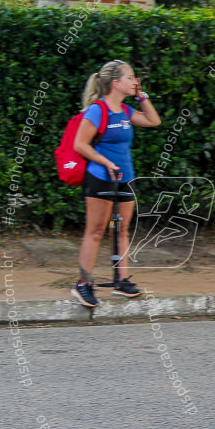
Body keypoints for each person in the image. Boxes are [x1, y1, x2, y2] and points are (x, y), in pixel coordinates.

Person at [71, 59, 161, 307]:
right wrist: (106, 163)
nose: (135, 81)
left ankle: (121, 281)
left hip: (126, 179)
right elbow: (80, 144)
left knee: (121, 230)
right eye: (131, 77)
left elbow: (154, 121)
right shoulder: (97, 110)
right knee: (96, 231)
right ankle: (83, 284)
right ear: (115, 82)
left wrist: (141, 95)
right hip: (100, 176)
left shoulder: (126, 111)